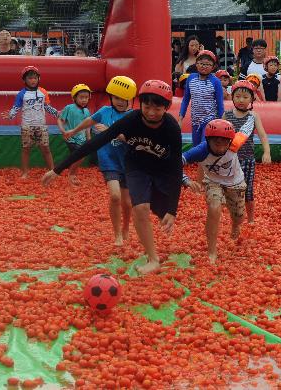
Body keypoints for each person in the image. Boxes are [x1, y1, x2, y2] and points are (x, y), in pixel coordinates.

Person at [44, 80, 183, 275]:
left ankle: (162, 211)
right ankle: (153, 259)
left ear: (167, 107)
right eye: (147, 106)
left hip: (161, 169)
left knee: (161, 211)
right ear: (139, 104)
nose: (151, 112)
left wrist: (172, 209)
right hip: (136, 167)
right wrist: (58, 169)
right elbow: (95, 143)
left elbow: (176, 166)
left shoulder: (171, 128)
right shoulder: (130, 120)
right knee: (140, 208)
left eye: (157, 108)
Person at [61, 76, 136, 245]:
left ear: (130, 99)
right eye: (116, 98)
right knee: (115, 196)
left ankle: (125, 227)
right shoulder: (104, 112)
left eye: (123, 98)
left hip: (128, 161)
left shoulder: (133, 117)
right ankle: (117, 234)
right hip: (108, 159)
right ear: (111, 97)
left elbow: (133, 139)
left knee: (128, 201)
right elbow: (90, 120)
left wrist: (111, 131)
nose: (120, 102)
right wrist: (73, 130)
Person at [182, 119, 246, 263]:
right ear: (208, 140)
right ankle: (211, 251)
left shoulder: (235, 143)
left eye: (224, 142)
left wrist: (266, 150)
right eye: (216, 142)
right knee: (214, 207)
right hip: (213, 181)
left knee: (239, 216)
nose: (220, 146)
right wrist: (185, 180)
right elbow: (177, 162)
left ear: (230, 141)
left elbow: (247, 128)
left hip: (235, 182)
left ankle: (235, 224)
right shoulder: (201, 150)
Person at [224, 81, 272, 224]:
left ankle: (250, 219)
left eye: (245, 97)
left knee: (248, 192)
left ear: (252, 99)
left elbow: (263, 135)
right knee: (231, 191)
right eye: (237, 96)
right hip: (230, 160)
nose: (241, 100)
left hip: (247, 160)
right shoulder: (227, 115)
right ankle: (235, 218)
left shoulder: (253, 116)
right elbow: (219, 137)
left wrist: (267, 152)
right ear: (232, 98)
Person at [1, 66, 58, 178]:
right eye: (30, 78)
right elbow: (16, 107)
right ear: (24, 80)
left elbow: (47, 107)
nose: (33, 80)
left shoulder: (43, 92)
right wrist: (10, 115)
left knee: (46, 149)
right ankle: (25, 172)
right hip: (27, 125)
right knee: (26, 149)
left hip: (41, 125)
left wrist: (57, 113)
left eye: (35, 78)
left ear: (38, 79)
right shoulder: (22, 94)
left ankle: (53, 171)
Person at [179, 50, 225, 146]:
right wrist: (180, 119)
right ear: (196, 64)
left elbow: (220, 104)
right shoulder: (191, 78)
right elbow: (185, 99)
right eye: (201, 63)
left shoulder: (216, 82)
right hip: (195, 120)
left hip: (210, 120)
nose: (204, 66)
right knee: (196, 145)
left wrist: (222, 122)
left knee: (204, 146)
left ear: (213, 66)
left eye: (208, 64)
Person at [57, 84, 92, 186]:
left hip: (82, 139)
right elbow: (60, 119)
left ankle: (72, 174)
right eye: (81, 97)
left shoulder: (86, 111)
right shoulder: (69, 108)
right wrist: (63, 131)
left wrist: (88, 137)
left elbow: (87, 125)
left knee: (78, 157)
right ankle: (71, 176)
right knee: (79, 156)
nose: (84, 100)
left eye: (86, 97)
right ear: (74, 98)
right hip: (71, 138)